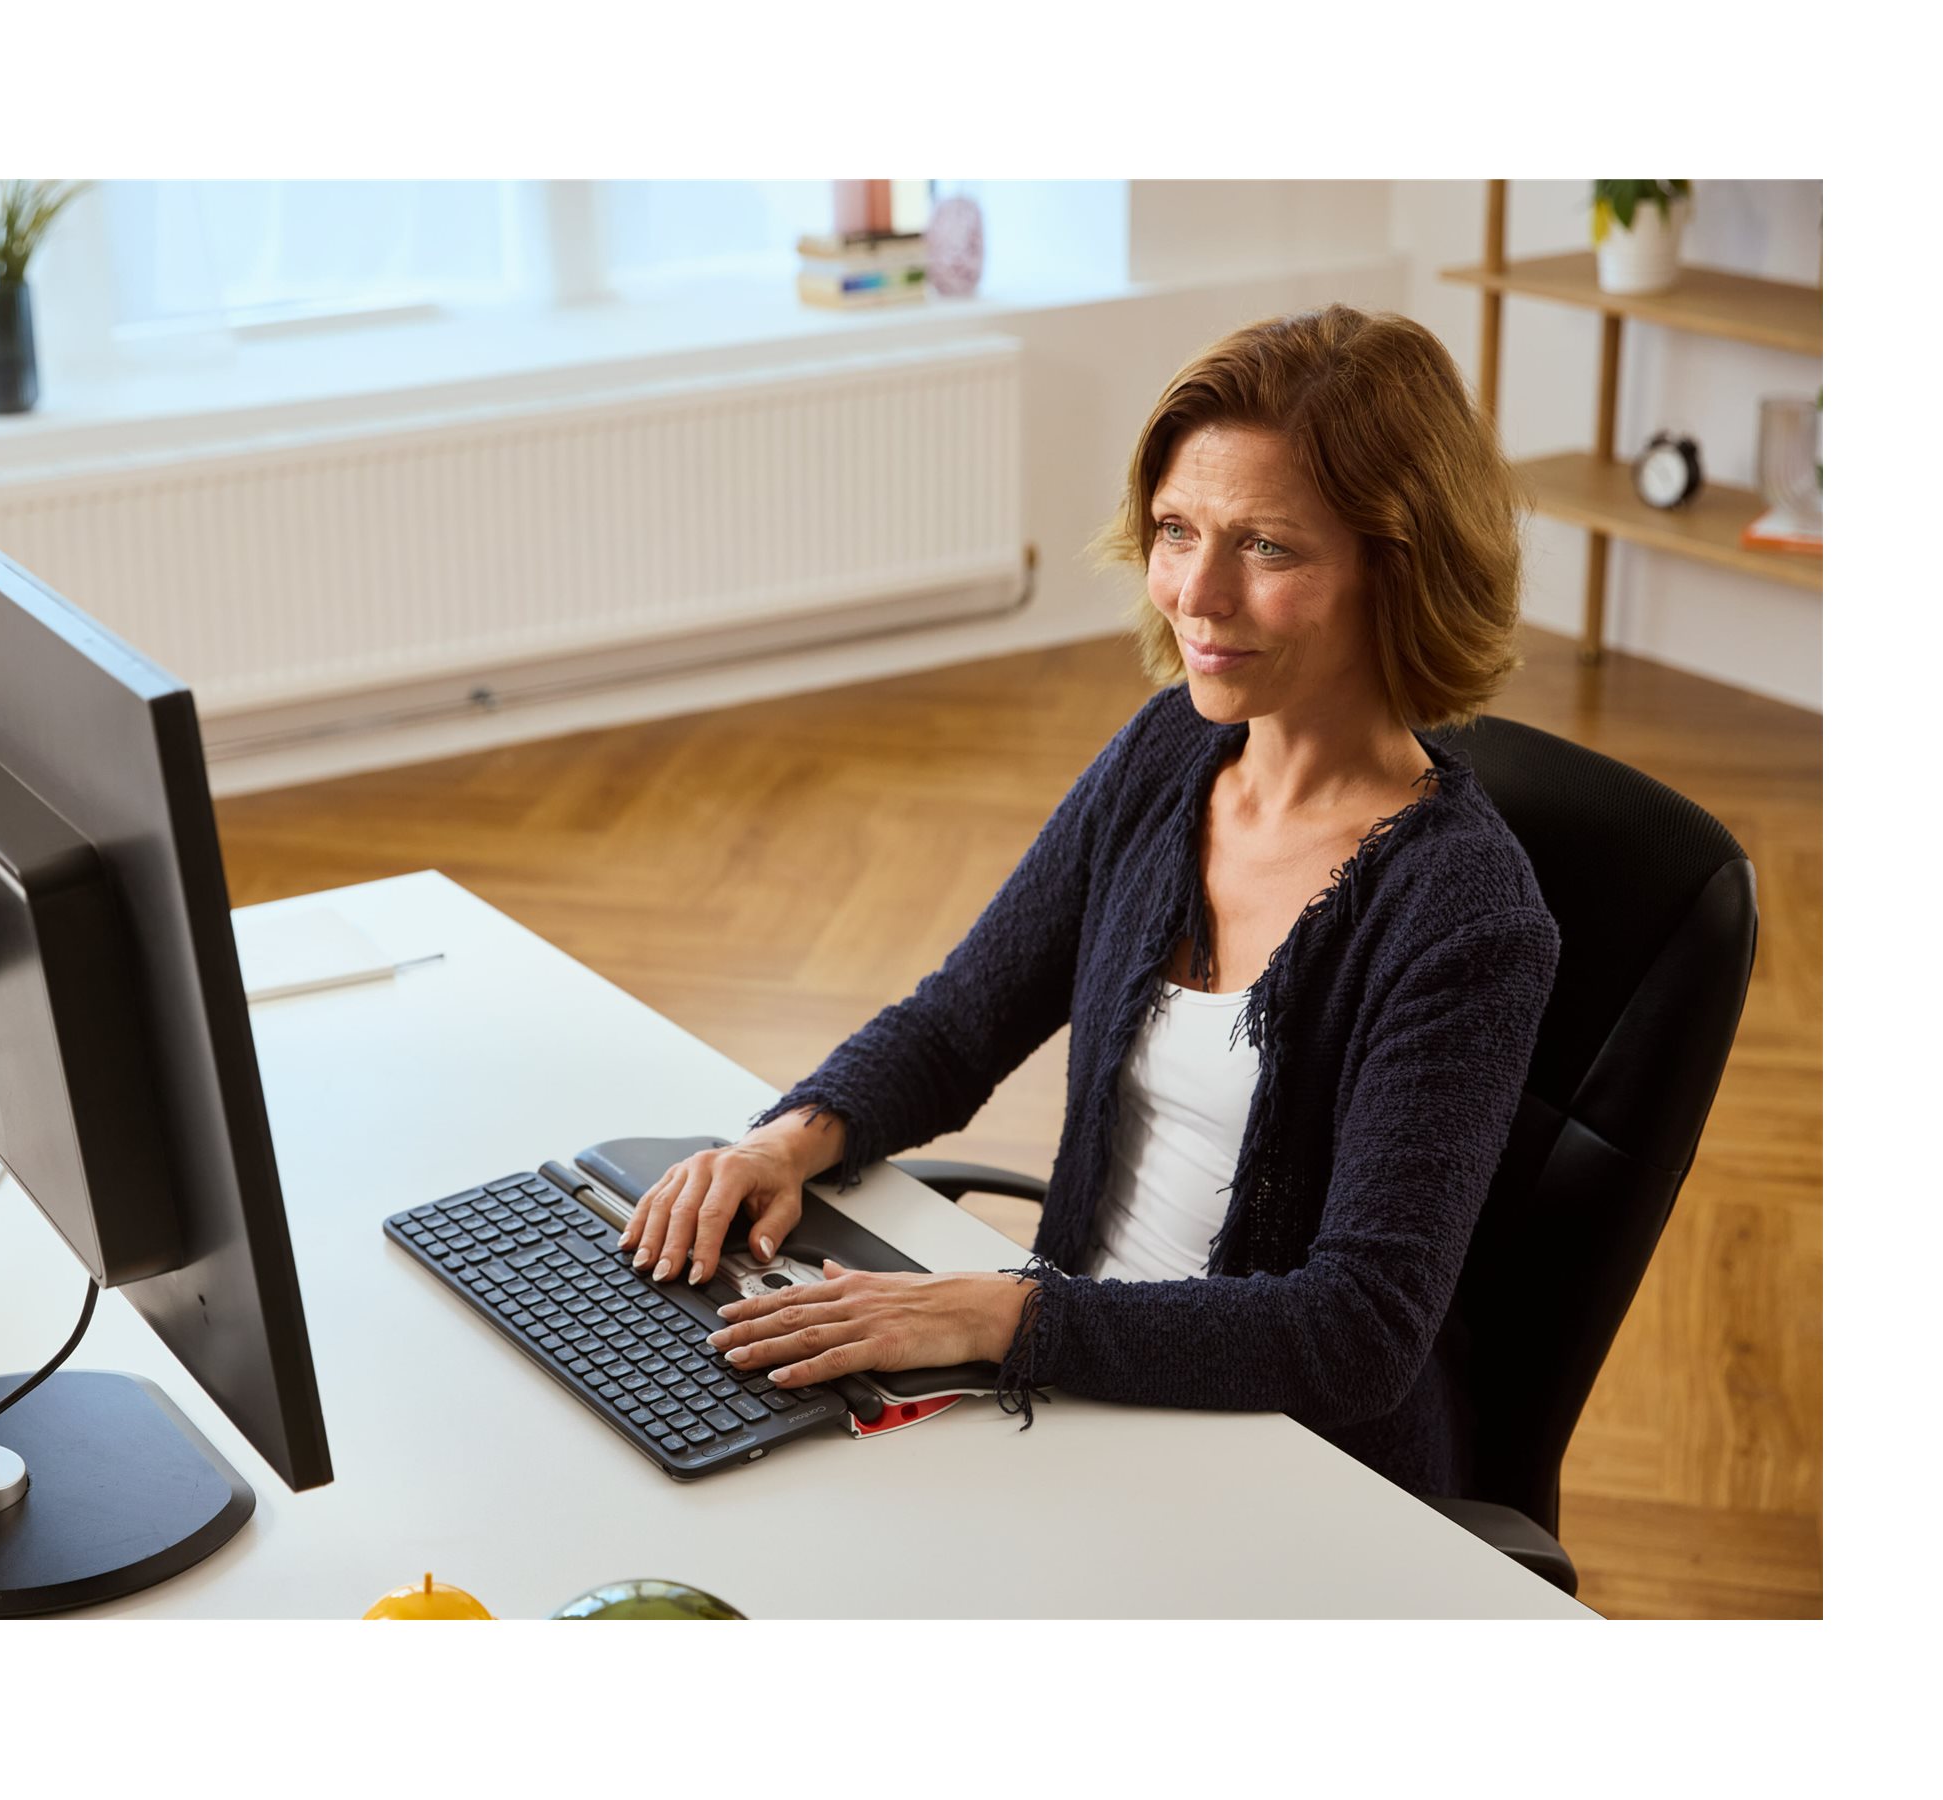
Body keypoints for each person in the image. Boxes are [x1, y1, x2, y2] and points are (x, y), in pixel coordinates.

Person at [617, 302, 1560, 1497]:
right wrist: (785, 1141)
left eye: (1268, 548)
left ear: (1397, 567)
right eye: (1176, 530)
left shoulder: (1466, 917)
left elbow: (1358, 1331)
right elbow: (962, 1020)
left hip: (1292, 1468)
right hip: (1069, 1386)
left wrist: (995, 1315)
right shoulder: (1170, 754)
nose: (1197, 593)